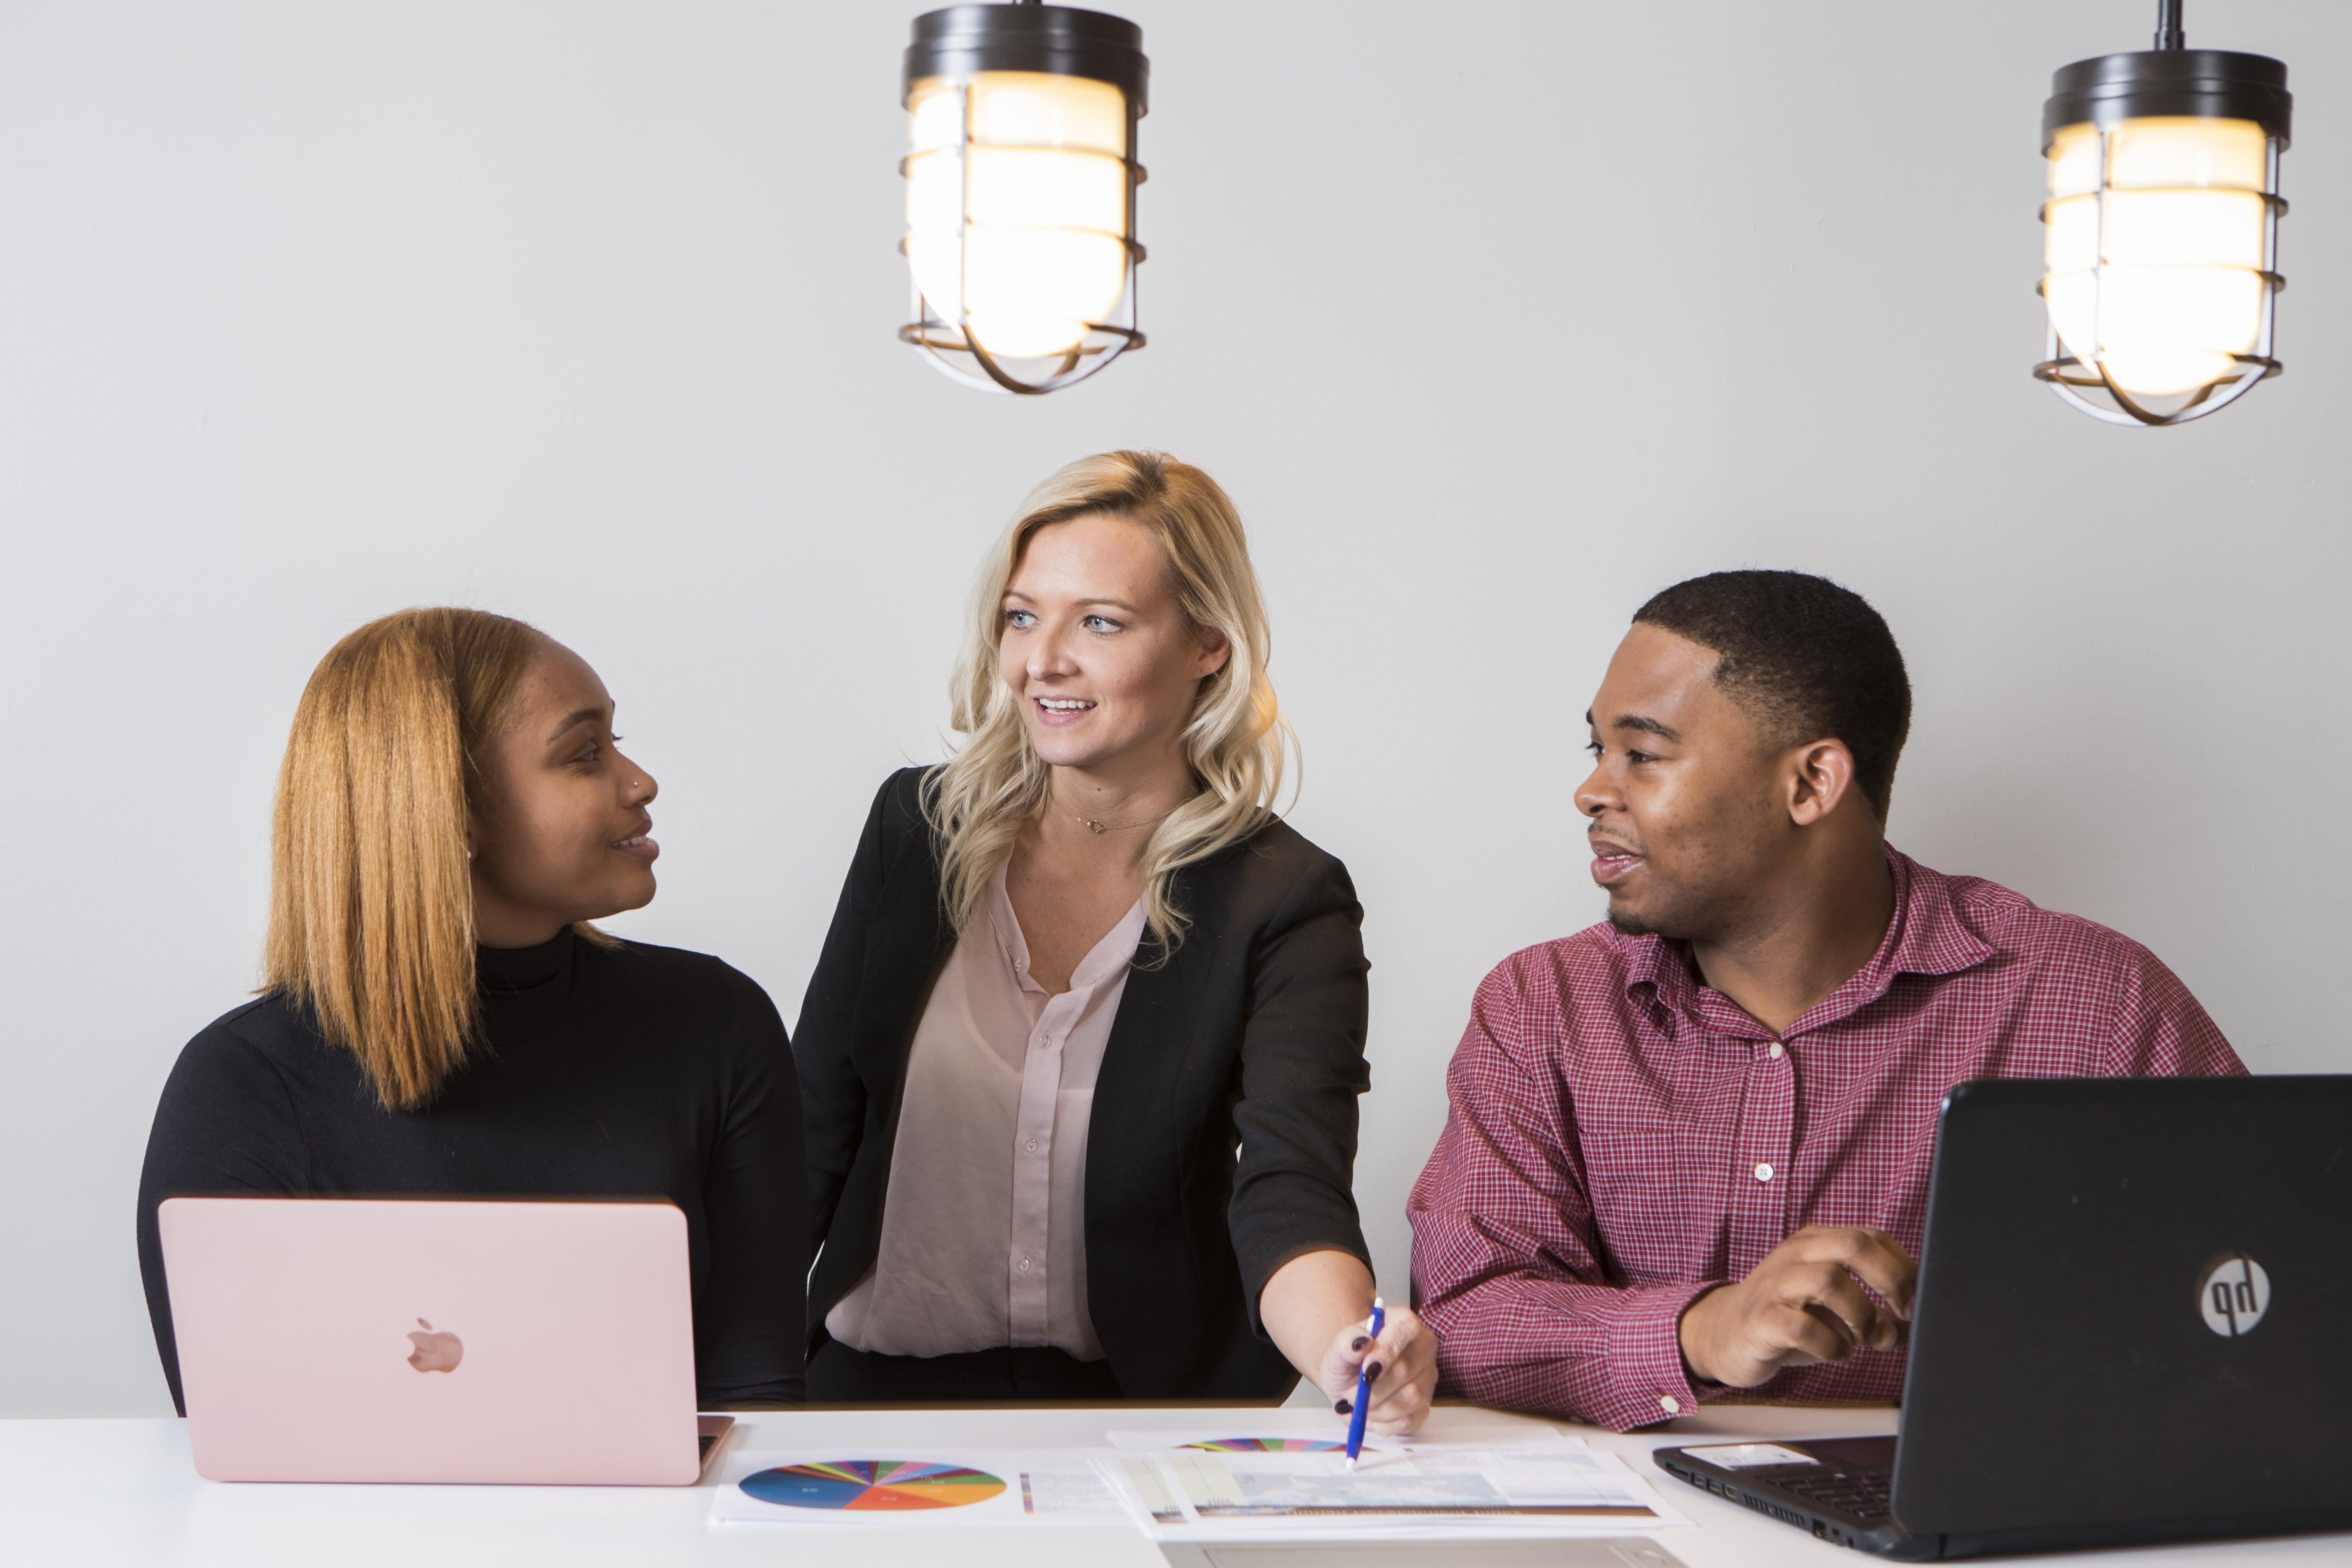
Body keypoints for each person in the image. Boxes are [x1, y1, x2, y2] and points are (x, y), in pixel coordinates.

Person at [1407, 570, 2243, 1433]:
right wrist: (1702, 1331)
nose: (1593, 792)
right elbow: (1465, 1316)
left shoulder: (2092, 1003)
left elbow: (2270, 1286)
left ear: (1812, 784)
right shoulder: (1544, 1008)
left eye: (1644, 755)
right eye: (1598, 752)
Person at [796, 450, 1432, 1428]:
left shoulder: (1286, 896)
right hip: (875, 1403)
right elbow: (811, 1132)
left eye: (1100, 621)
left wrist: (1347, 1351)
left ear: (1207, 645)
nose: (1042, 661)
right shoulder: (913, 832)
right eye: (1021, 615)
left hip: (1151, 1417)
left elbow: (1289, 1181)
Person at [136, 608, 806, 1412]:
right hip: (354, 1543)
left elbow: (755, 1409)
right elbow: (244, 1440)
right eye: (586, 754)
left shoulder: (718, 1026)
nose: (640, 782)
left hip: (664, 1538)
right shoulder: (241, 1088)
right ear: (453, 814)